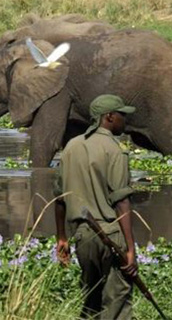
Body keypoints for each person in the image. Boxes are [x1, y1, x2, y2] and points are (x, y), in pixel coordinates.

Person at [55, 94, 138, 319]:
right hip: (111, 233)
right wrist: (130, 249)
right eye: (121, 115)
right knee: (118, 300)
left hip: (83, 237)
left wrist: (61, 238)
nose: (124, 119)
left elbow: (59, 198)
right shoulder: (115, 150)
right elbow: (121, 201)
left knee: (91, 299)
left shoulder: (71, 147)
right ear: (109, 117)